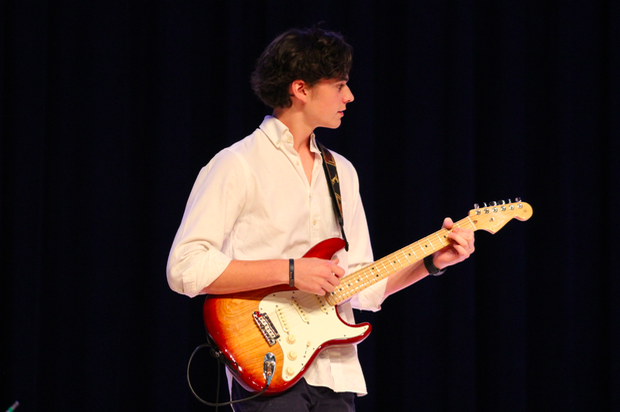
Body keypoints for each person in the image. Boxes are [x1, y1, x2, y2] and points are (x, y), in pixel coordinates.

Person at [167, 26, 475, 412]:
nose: (350, 96)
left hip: (336, 374)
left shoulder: (342, 171)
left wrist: (431, 262)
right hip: (269, 367)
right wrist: (293, 271)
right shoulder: (237, 164)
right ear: (301, 89)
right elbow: (185, 268)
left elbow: (364, 286)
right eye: (340, 84)